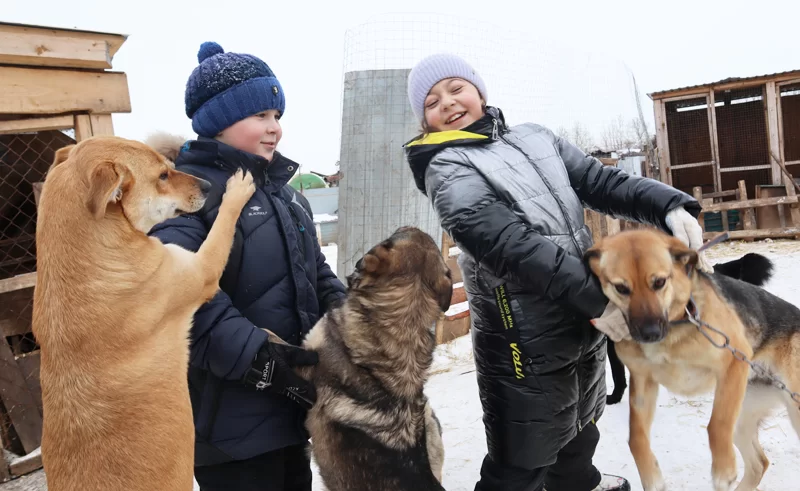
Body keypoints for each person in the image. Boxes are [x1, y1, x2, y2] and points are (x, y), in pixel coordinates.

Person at [403, 53, 709, 491]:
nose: (448, 103)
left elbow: (600, 183)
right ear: (426, 122)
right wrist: (597, 299)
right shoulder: (446, 166)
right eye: (432, 102)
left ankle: (577, 482)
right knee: (522, 452)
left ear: (479, 92)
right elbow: (507, 243)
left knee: (581, 421)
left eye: (456, 89)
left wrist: (668, 204)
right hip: (521, 332)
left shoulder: (535, 138)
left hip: (579, 314)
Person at [148, 41, 346, 491]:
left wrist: (352, 324)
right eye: (259, 115)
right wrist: (265, 361)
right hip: (228, 427)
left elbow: (316, 273)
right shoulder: (189, 199)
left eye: (277, 116)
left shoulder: (288, 198)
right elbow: (181, 296)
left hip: (294, 412)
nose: (274, 127)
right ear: (217, 123)